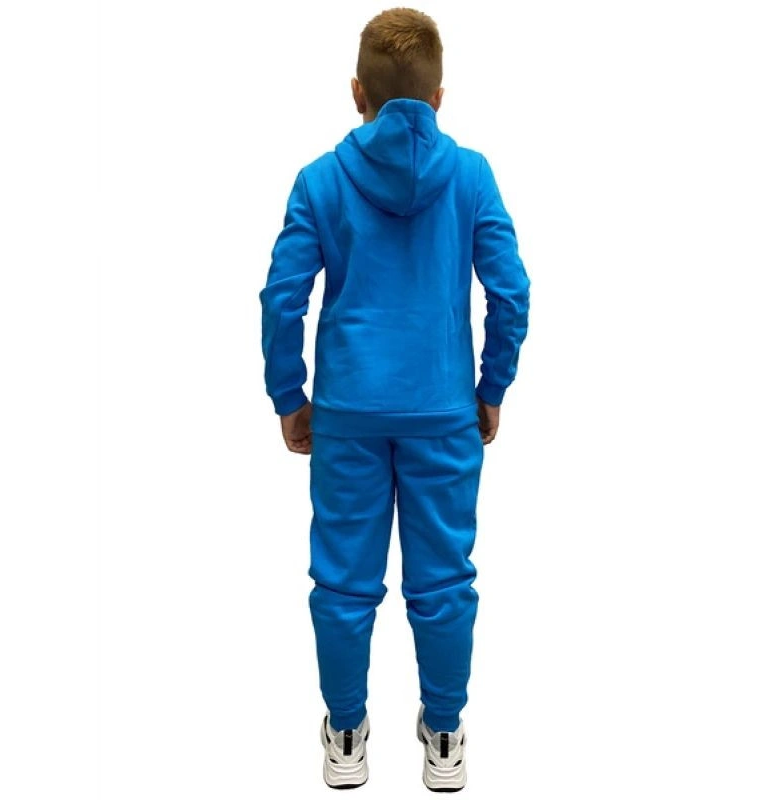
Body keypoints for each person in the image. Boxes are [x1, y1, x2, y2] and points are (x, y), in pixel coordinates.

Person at [260, 7, 530, 792]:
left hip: (347, 414)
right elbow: (511, 293)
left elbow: (282, 298)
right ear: (439, 98)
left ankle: (346, 733)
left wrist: (289, 396)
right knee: (443, 582)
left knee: (343, 582)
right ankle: (444, 734)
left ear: (357, 93)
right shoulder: (471, 176)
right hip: (443, 413)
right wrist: (490, 388)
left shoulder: (320, 180)